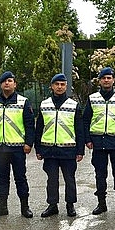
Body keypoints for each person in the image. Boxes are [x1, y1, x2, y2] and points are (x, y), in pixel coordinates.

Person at [0, 71, 35, 218]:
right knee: (2, 178)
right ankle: (2, 207)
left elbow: (30, 124)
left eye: (10, 80)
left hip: (17, 148)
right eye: (4, 81)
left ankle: (25, 207)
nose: (7, 83)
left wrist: (29, 143)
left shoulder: (23, 102)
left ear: (15, 84)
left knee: (20, 178)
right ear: (0, 84)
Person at [35, 73, 85, 217]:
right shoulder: (44, 104)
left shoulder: (73, 105)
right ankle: (52, 205)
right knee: (51, 179)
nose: (59, 87)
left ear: (66, 86)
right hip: (49, 149)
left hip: (68, 149)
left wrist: (80, 150)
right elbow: (39, 128)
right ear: (51, 86)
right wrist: (38, 148)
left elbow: (79, 129)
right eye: (57, 84)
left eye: (62, 84)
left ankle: (70, 205)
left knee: (69, 179)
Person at [84, 67, 115, 215]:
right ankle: (101, 203)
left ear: (113, 80)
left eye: (109, 78)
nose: (106, 80)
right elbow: (85, 121)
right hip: (98, 142)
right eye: (103, 78)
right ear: (99, 81)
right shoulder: (92, 98)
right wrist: (87, 139)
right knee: (100, 174)